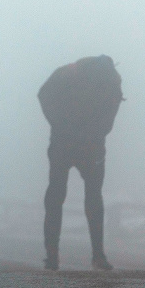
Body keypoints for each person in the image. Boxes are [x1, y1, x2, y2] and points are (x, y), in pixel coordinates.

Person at [38, 55, 123, 271]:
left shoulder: (66, 73)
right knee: (93, 198)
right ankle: (97, 256)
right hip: (88, 145)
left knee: (56, 196)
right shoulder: (109, 80)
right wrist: (97, 132)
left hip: (66, 143)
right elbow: (111, 113)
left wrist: (60, 125)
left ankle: (52, 255)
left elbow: (44, 96)